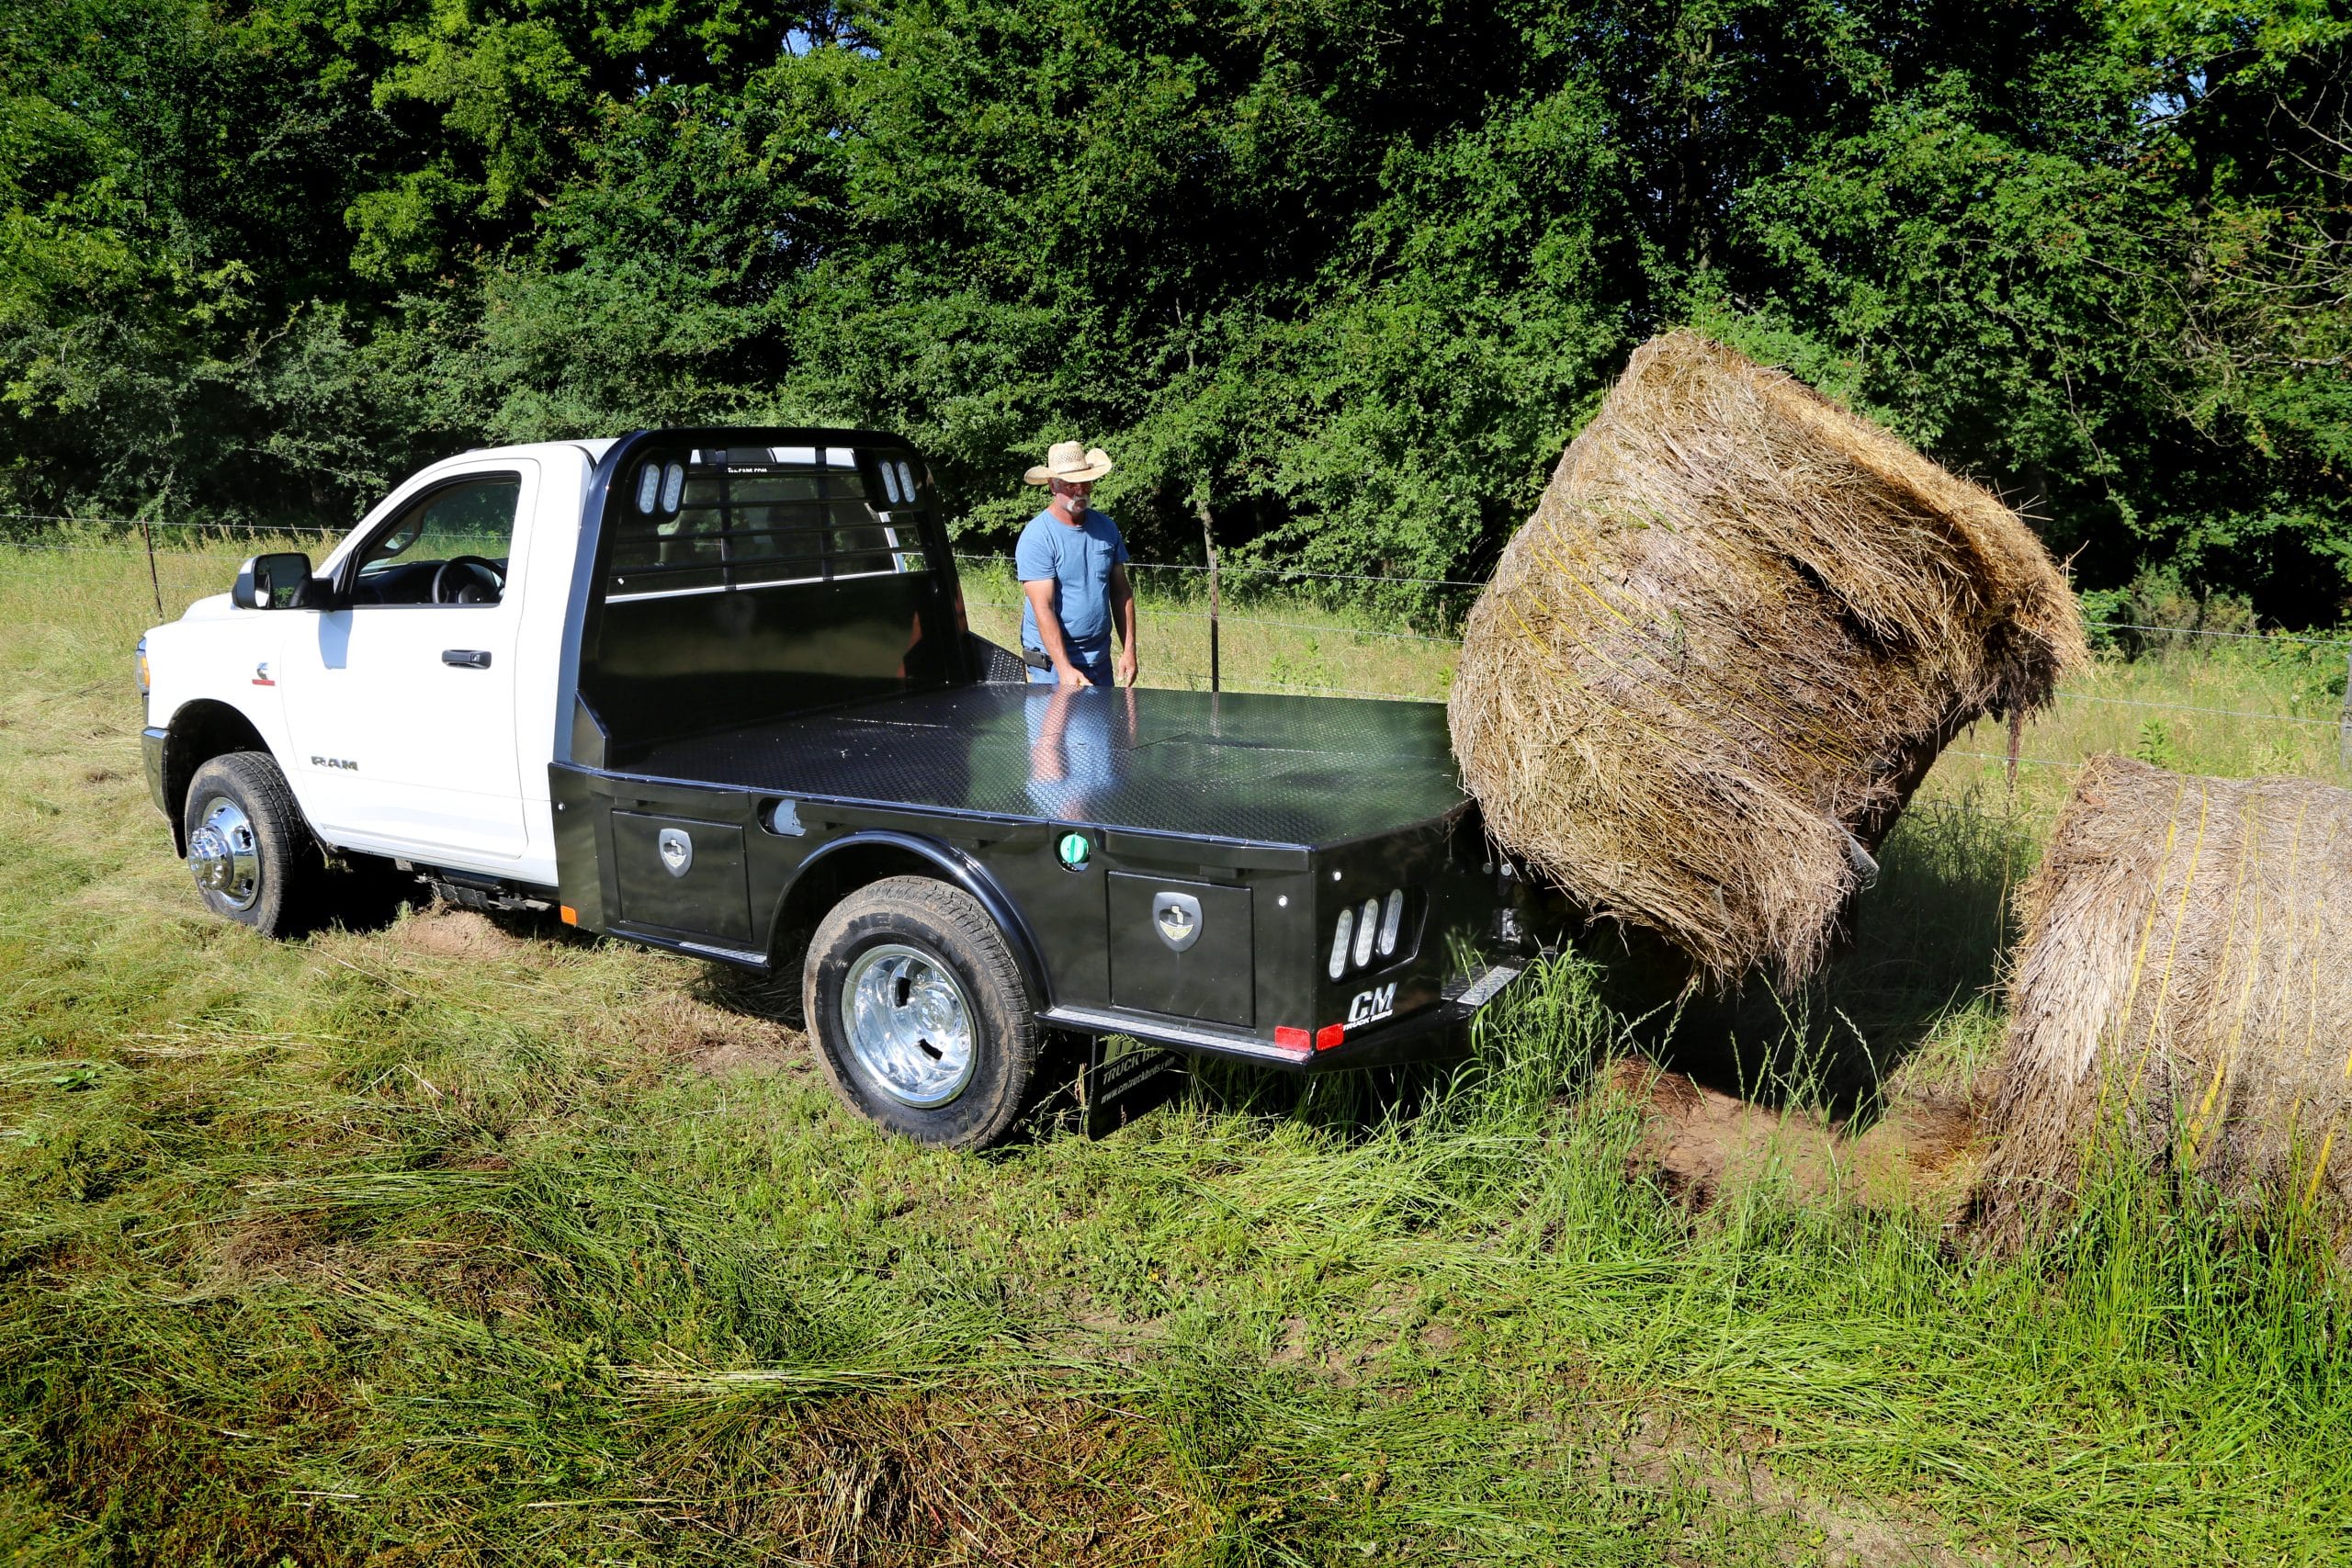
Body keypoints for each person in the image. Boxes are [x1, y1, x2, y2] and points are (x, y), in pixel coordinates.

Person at [1016, 440, 1137, 688]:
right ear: (1052, 485)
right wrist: (1065, 669)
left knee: (1104, 728)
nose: (1080, 490)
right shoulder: (1038, 537)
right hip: (1052, 665)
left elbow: (1121, 592)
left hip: (1099, 659)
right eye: (1070, 484)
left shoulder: (1106, 528)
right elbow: (1043, 608)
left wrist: (1129, 650)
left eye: (1085, 482)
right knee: (1058, 730)